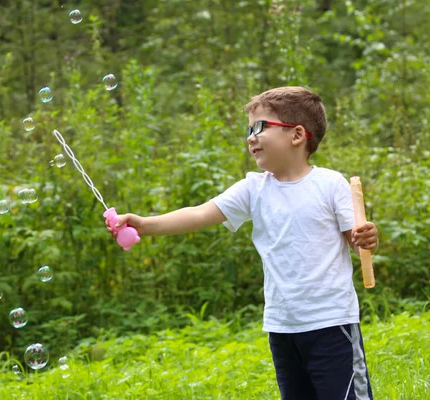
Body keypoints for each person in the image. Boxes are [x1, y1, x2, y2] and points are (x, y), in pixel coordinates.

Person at [107, 86, 378, 400]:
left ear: (297, 135)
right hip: (282, 325)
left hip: (331, 323)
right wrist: (144, 224)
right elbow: (198, 213)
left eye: (260, 127)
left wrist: (367, 239)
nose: (251, 136)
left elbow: (358, 240)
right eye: (249, 129)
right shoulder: (254, 188)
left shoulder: (331, 184)